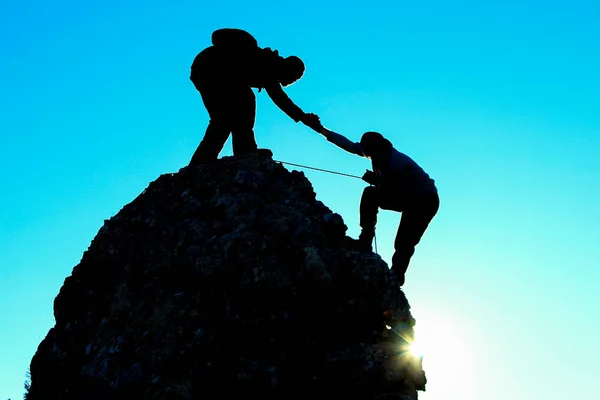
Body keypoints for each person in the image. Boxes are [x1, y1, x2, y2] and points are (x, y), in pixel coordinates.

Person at [316, 123, 439, 286]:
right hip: (409, 196)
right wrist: (321, 130)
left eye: (369, 152)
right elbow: (350, 146)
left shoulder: (397, 162)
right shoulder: (377, 152)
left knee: (404, 242)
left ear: (377, 148)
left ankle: (396, 277)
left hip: (424, 202)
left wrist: (379, 181)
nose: (368, 155)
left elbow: (401, 188)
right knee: (370, 194)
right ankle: (366, 237)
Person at [189, 28, 321, 164]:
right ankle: (245, 151)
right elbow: (280, 98)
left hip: (203, 70)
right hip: (212, 69)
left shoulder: (267, 63)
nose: (291, 81)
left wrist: (302, 116)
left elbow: (279, 96)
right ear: (288, 68)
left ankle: (201, 161)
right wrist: (302, 116)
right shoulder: (269, 65)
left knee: (222, 121)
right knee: (244, 101)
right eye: (294, 77)